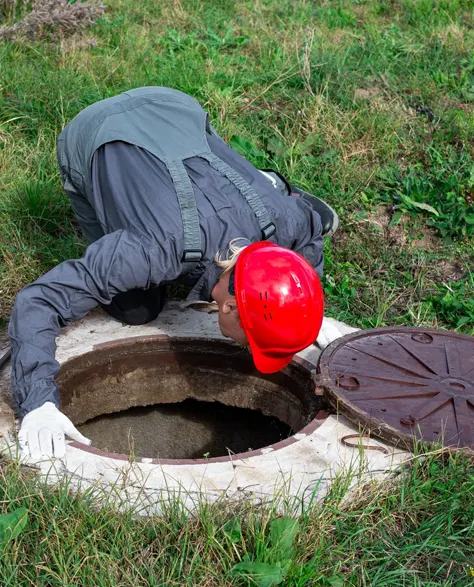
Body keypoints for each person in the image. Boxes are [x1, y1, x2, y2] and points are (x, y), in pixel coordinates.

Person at [9, 86, 340, 460]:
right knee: (135, 310)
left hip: (176, 108)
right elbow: (40, 300)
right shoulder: (150, 251)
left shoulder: (284, 219)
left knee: (149, 294)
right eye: (249, 342)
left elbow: (313, 227)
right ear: (228, 308)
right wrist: (38, 403)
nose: (246, 350)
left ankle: (267, 185)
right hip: (98, 133)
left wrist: (307, 310)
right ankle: (252, 185)